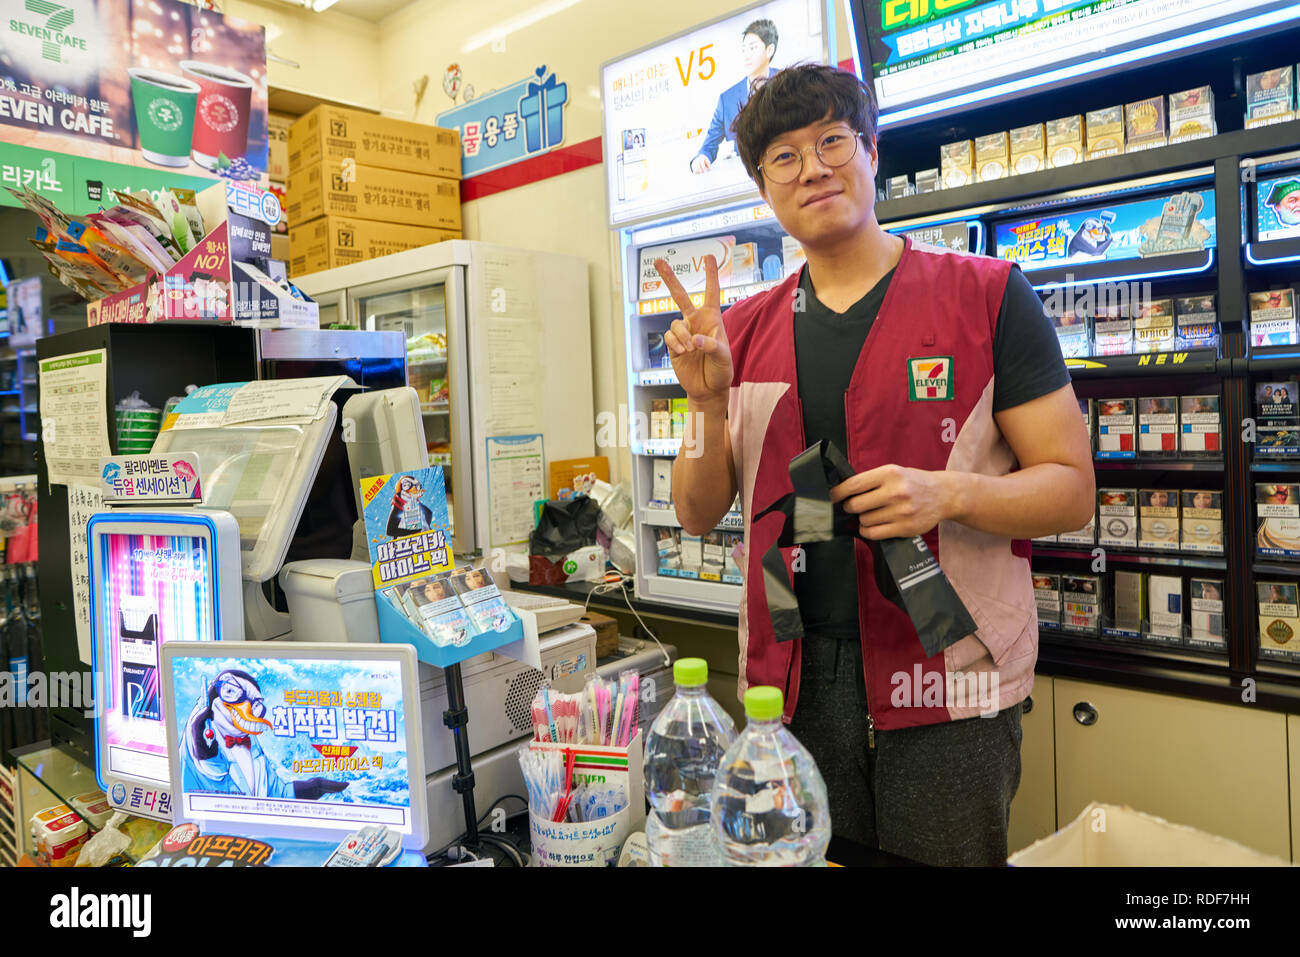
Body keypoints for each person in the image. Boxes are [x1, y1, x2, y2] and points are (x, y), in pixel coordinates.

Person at [656, 64, 1094, 866]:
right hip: (790, 675)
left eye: (831, 140)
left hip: (948, 671)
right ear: (764, 187)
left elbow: (1071, 489)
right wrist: (707, 404)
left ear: (871, 151)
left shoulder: (989, 296)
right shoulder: (742, 330)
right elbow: (694, 512)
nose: (812, 167)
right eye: (783, 157)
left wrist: (948, 492)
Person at [690, 19, 778, 174]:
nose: (747, 55)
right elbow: (709, 145)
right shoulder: (727, 99)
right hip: (745, 181)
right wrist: (701, 158)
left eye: (753, 48)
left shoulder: (789, 83)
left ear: (769, 50)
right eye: (744, 49)